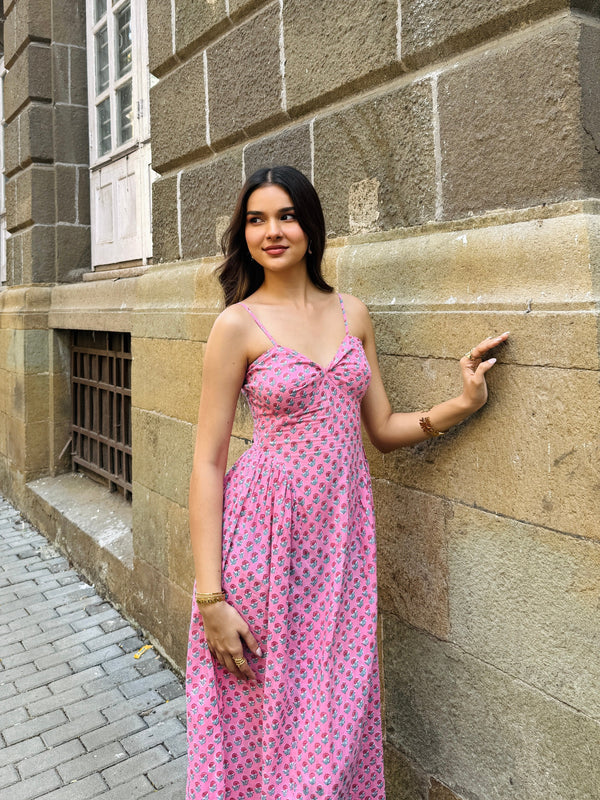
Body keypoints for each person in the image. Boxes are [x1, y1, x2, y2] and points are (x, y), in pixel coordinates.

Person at [186, 165, 509, 800]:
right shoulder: (238, 326)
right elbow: (207, 463)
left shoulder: (353, 313)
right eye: (256, 219)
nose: (272, 231)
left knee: (337, 709)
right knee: (262, 712)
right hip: (264, 537)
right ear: (242, 234)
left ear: (311, 225)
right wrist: (210, 598)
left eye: (286, 215)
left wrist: (462, 403)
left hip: (340, 542)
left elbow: (383, 427)